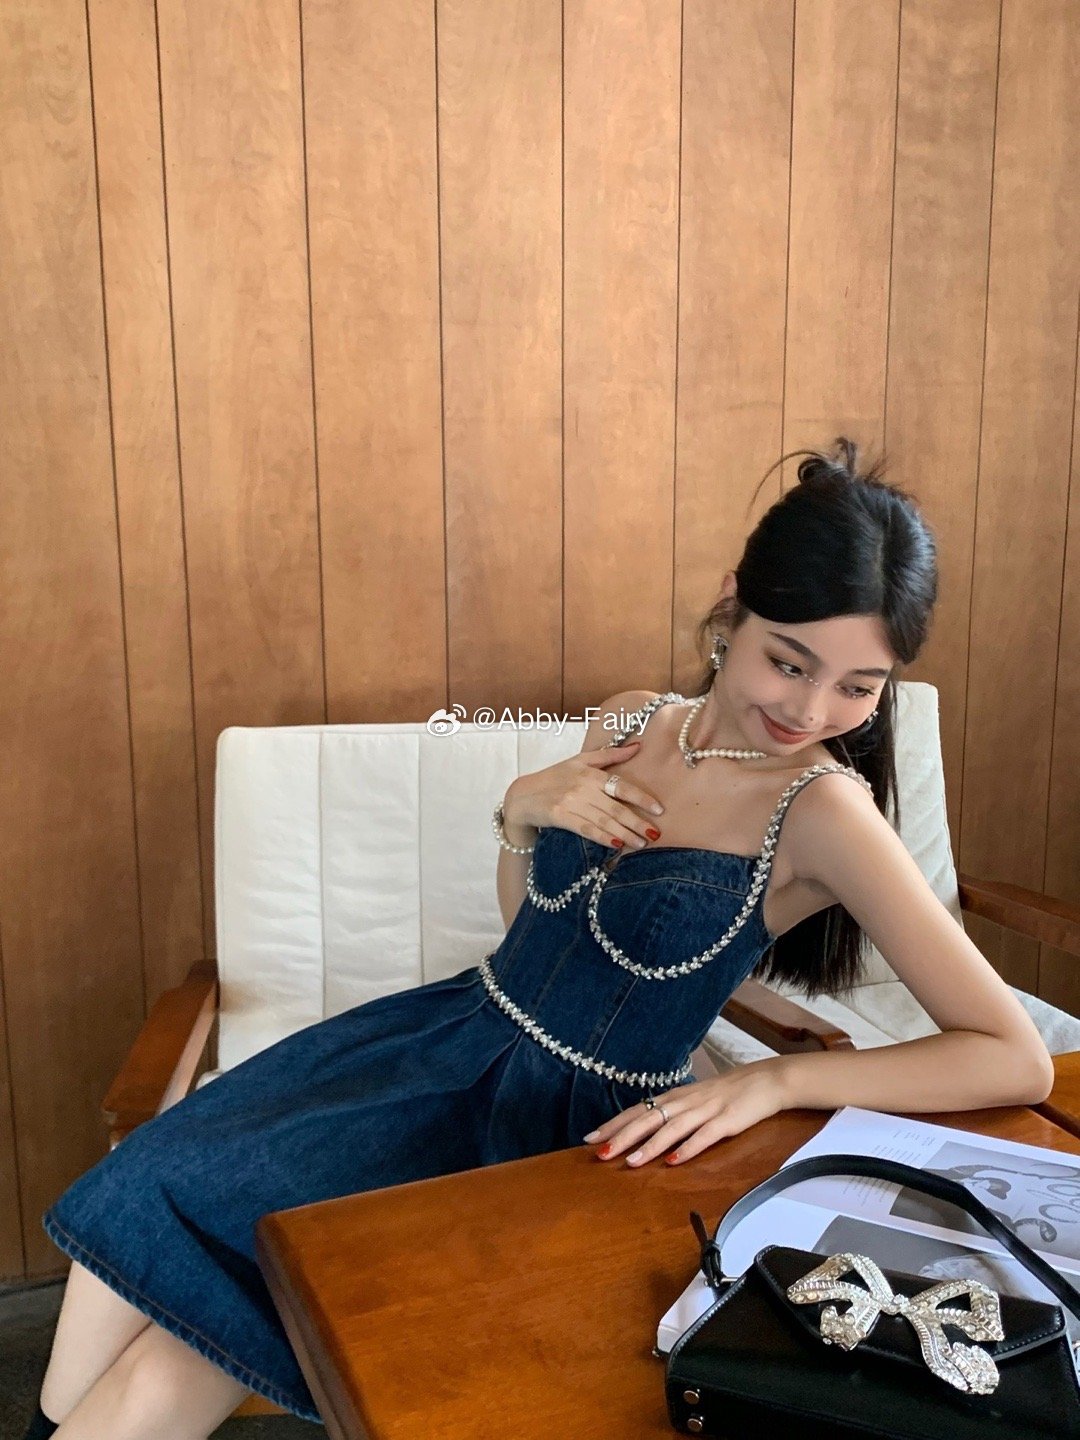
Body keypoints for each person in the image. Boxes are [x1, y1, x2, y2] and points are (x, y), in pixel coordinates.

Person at [25, 438, 1054, 1439]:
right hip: (442, 1040)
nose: (811, 708)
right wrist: (522, 814)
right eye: (790, 662)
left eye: (858, 687)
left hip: (567, 1129)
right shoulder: (630, 722)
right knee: (148, 1190)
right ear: (733, 602)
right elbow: (535, 922)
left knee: (196, 1332)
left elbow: (1011, 1055)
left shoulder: (824, 810)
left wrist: (775, 1083)